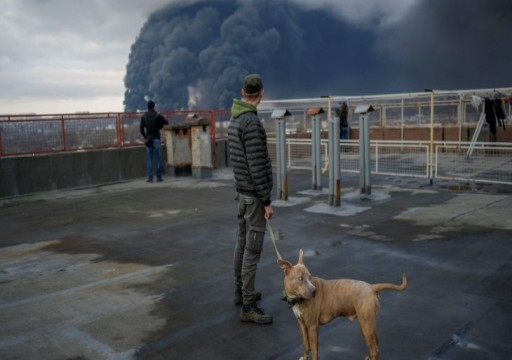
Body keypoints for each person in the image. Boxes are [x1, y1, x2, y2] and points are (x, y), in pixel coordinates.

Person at [228, 74, 274, 324]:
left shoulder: (234, 119)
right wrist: (266, 200)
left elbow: (239, 162)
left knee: (242, 244)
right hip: (254, 198)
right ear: (262, 93)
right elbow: (257, 166)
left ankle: (240, 292)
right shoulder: (251, 123)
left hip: (242, 194)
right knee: (252, 250)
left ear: (243, 91)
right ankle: (248, 306)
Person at [140, 100, 168, 182]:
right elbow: (166, 122)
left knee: (150, 159)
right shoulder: (157, 115)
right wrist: (160, 125)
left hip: (149, 140)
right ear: (154, 106)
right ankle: (159, 177)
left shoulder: (143, 116)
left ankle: (150, 178)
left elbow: (141, 129)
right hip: (156, 139)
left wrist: (146, 137)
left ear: (148, 106)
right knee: (159, 158)